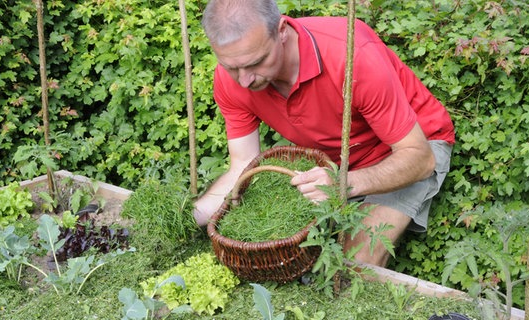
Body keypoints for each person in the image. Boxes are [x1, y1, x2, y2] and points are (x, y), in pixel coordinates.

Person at [194, 0, 455, 267]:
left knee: (354, 262)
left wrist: (343, 184)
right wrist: (191, 216)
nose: (245, 80)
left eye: (257, 62)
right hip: (332, 163)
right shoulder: (233, 79)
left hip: (406, 149)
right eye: (231, 67)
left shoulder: (352, 57)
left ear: (281, 30)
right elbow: (242, 164)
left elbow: (420, 159)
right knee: (286, 253)